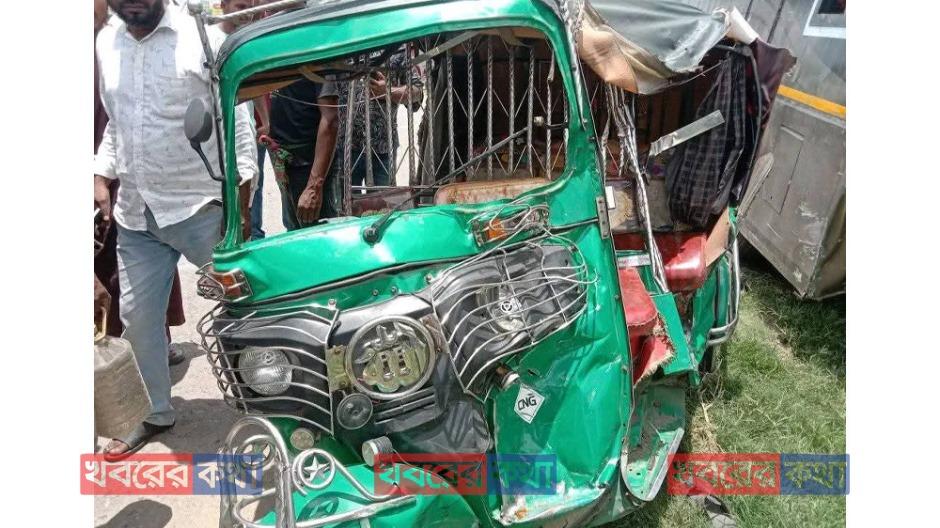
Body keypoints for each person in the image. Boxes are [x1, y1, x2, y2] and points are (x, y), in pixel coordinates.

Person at [95, 0, 257, 459]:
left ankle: (267, 398)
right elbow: (118, 123)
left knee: (242, 310)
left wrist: (241, 205)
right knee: (138, 318)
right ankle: (153, 411)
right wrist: (100, 173)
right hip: (136, 210)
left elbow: (237, 121)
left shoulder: (205, 40)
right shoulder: (107, 42)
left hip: (200, 206)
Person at [94, 0, 187, 359]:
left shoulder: (185, 37)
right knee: (117, 287)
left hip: (156, 188)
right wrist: (99, 175)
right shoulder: (106, 45)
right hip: (114, 187)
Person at [333, 47, 423, 189]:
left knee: (382, 200)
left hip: (383, 148)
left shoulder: (396, 50)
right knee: (345, 201)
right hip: (345, 147)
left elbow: (417, 92)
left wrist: (388, 91)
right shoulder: (342, 48)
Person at [267, 73, 339, 229]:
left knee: (319, 233)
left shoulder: (316, 62)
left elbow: (330, 119)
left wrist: (314, 186)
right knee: (294, 230)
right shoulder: (279, 62)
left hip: (309, 166)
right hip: (285, 163)